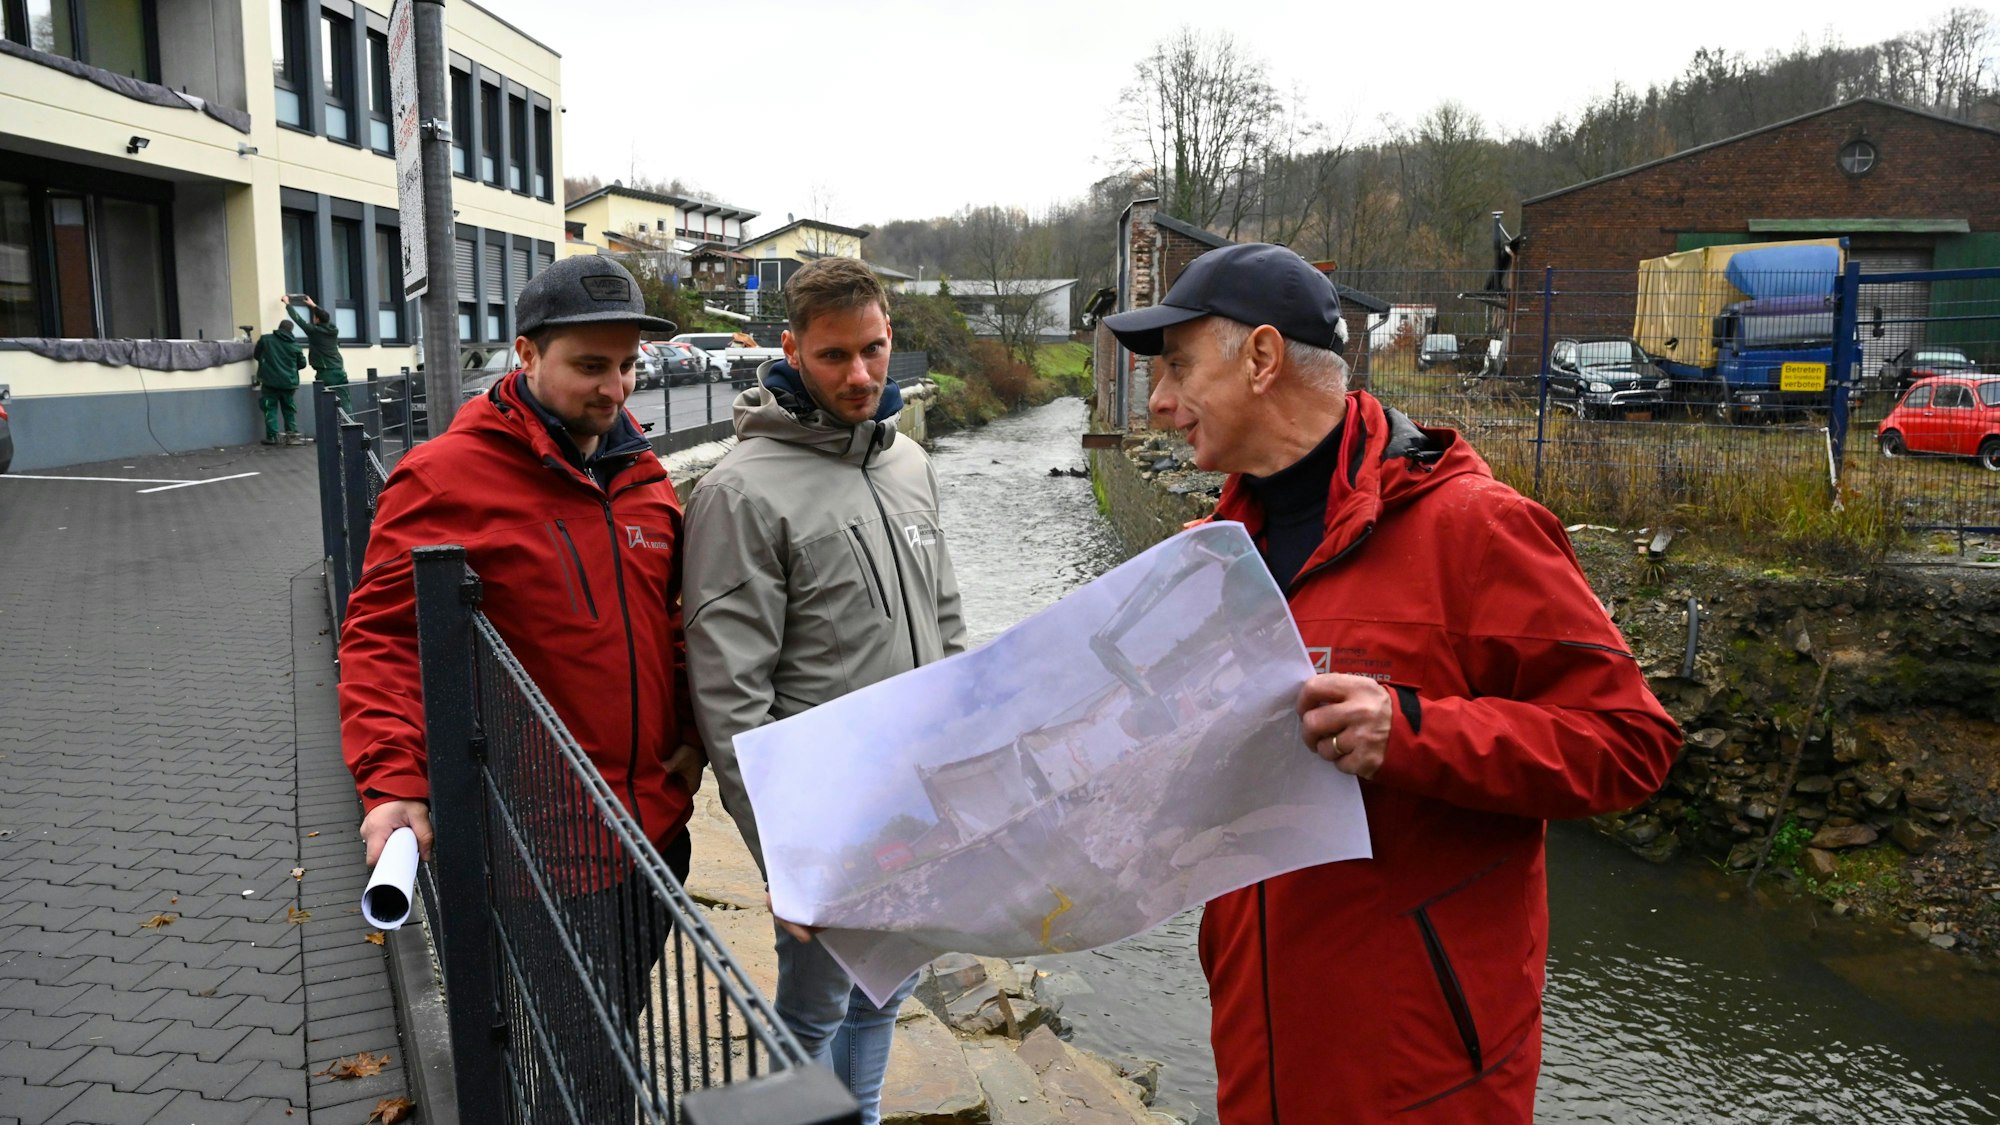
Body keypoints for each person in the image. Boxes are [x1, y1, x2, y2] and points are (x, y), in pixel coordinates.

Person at [1102, 243, 1681, 1124]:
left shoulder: (1479, 532)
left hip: (1422, 1079)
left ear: (1261, 359)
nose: (1160, 401)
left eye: (1179, 366)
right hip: (1260, 1050)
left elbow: (1633, 743)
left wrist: (1411, 731)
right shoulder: (1213, 555)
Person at [338, 254, 702, 1119]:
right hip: (542, 857)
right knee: (588, 1074)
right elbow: (385, 639)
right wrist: (392, 781)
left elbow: (675, 624)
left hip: (655, 833)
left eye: (626, 366)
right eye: (590, 364)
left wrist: (686, 745)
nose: (614, 388)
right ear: (525, 355)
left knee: (605, 1036)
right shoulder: (444, 478)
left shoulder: (643, 477)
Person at [683, 256, 966, 1125]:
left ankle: (863, 1119)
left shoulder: (908, 461)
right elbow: (730, 694)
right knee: (812, 1009)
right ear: (791, 350)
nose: (861, 375)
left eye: (875, 351)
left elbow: (946, 619)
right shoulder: (741, 490)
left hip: (911, 796)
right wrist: (785, 850)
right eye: (836, 356)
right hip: (825, 807)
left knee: (884, 992)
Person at [284, 294, 351, 411]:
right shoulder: (333, 330)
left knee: (325, 404)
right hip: (339, 370)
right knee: (345, 402)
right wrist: (313, 305)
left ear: (317, 319)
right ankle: (351, 426)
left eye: (315, 317)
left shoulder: (314, 331)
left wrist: (288, 304)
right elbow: (325, 317)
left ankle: (330, 427)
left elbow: (299, 320)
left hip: (325, 372)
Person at [251, 319, 307, 445]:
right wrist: (290, 368)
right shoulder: (295, 345)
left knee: (269, 408)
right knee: (289, 409)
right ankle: (291, 437)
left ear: (279, 327)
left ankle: (272, 437)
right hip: (289, 383)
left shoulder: (266, 340)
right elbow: (302, 364)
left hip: (269, 382)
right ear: (291, 330)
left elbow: (257, 355)